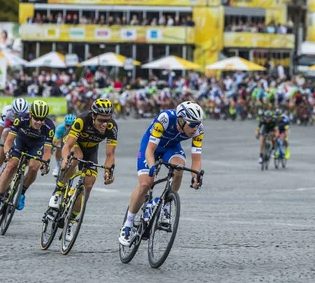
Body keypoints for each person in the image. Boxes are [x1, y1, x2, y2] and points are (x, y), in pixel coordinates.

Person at [119, 101, 204, 246]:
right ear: (181, 120)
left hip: (171, 148)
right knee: (146, 184)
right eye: (192, 124)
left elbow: (196, 158)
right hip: (151, 146)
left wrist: (196, 176)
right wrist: (152, 167)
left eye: (197, 124)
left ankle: (165, 206)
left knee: (179, 168)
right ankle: (128, 224)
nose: (195, 128)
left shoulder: (198, 130)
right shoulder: (164, 119)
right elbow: (150, 150)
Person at [48, 99, 117, 213]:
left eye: (107, 120)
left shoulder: (112, 127)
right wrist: (65, 159)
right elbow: (67, 146)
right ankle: (58, 191)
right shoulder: (82, 120)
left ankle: (71, 221)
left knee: (89, 184)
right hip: (73, 142)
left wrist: (107, 172)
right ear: (94, 115)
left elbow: (110, 155)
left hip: (91, 149)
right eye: (101, 120)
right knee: (76, 156)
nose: (105, 124)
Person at [0, 100, 54, 214]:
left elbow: (47, 151)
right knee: (11, 165)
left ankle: (22, 193)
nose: (39, 122)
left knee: (34, 166)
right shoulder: (21, 119)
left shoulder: (49, 126)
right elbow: (9, 141)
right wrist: (8, 152)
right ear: (30, 115)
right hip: (20, 140)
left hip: (36, 144)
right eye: (36, 119)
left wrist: (45, 162)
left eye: (42, 119)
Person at [0, 98, 29, 187]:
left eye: (21, 114)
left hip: (24, 125)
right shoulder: (7, 110)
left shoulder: (29, 113)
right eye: (16, 114)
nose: (18, 116)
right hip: (10, 124)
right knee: (6, 139)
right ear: (13, 110)